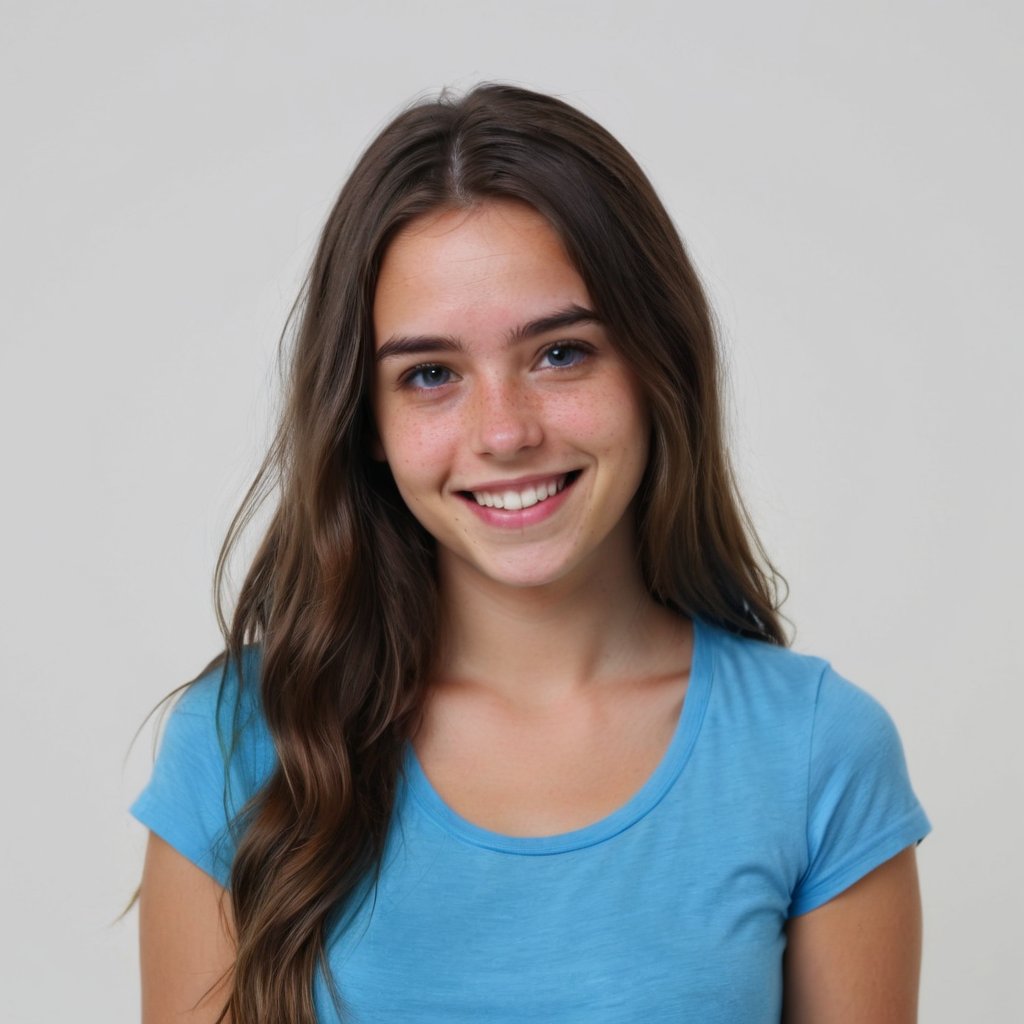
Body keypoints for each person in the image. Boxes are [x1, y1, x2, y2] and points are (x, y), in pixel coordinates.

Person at [130, 83, 930, 1023]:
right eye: (431, 375)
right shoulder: (240, 744)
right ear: (369, 422)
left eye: (560, 354)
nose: (503, 433)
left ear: (655, 367)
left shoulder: (816, 754)